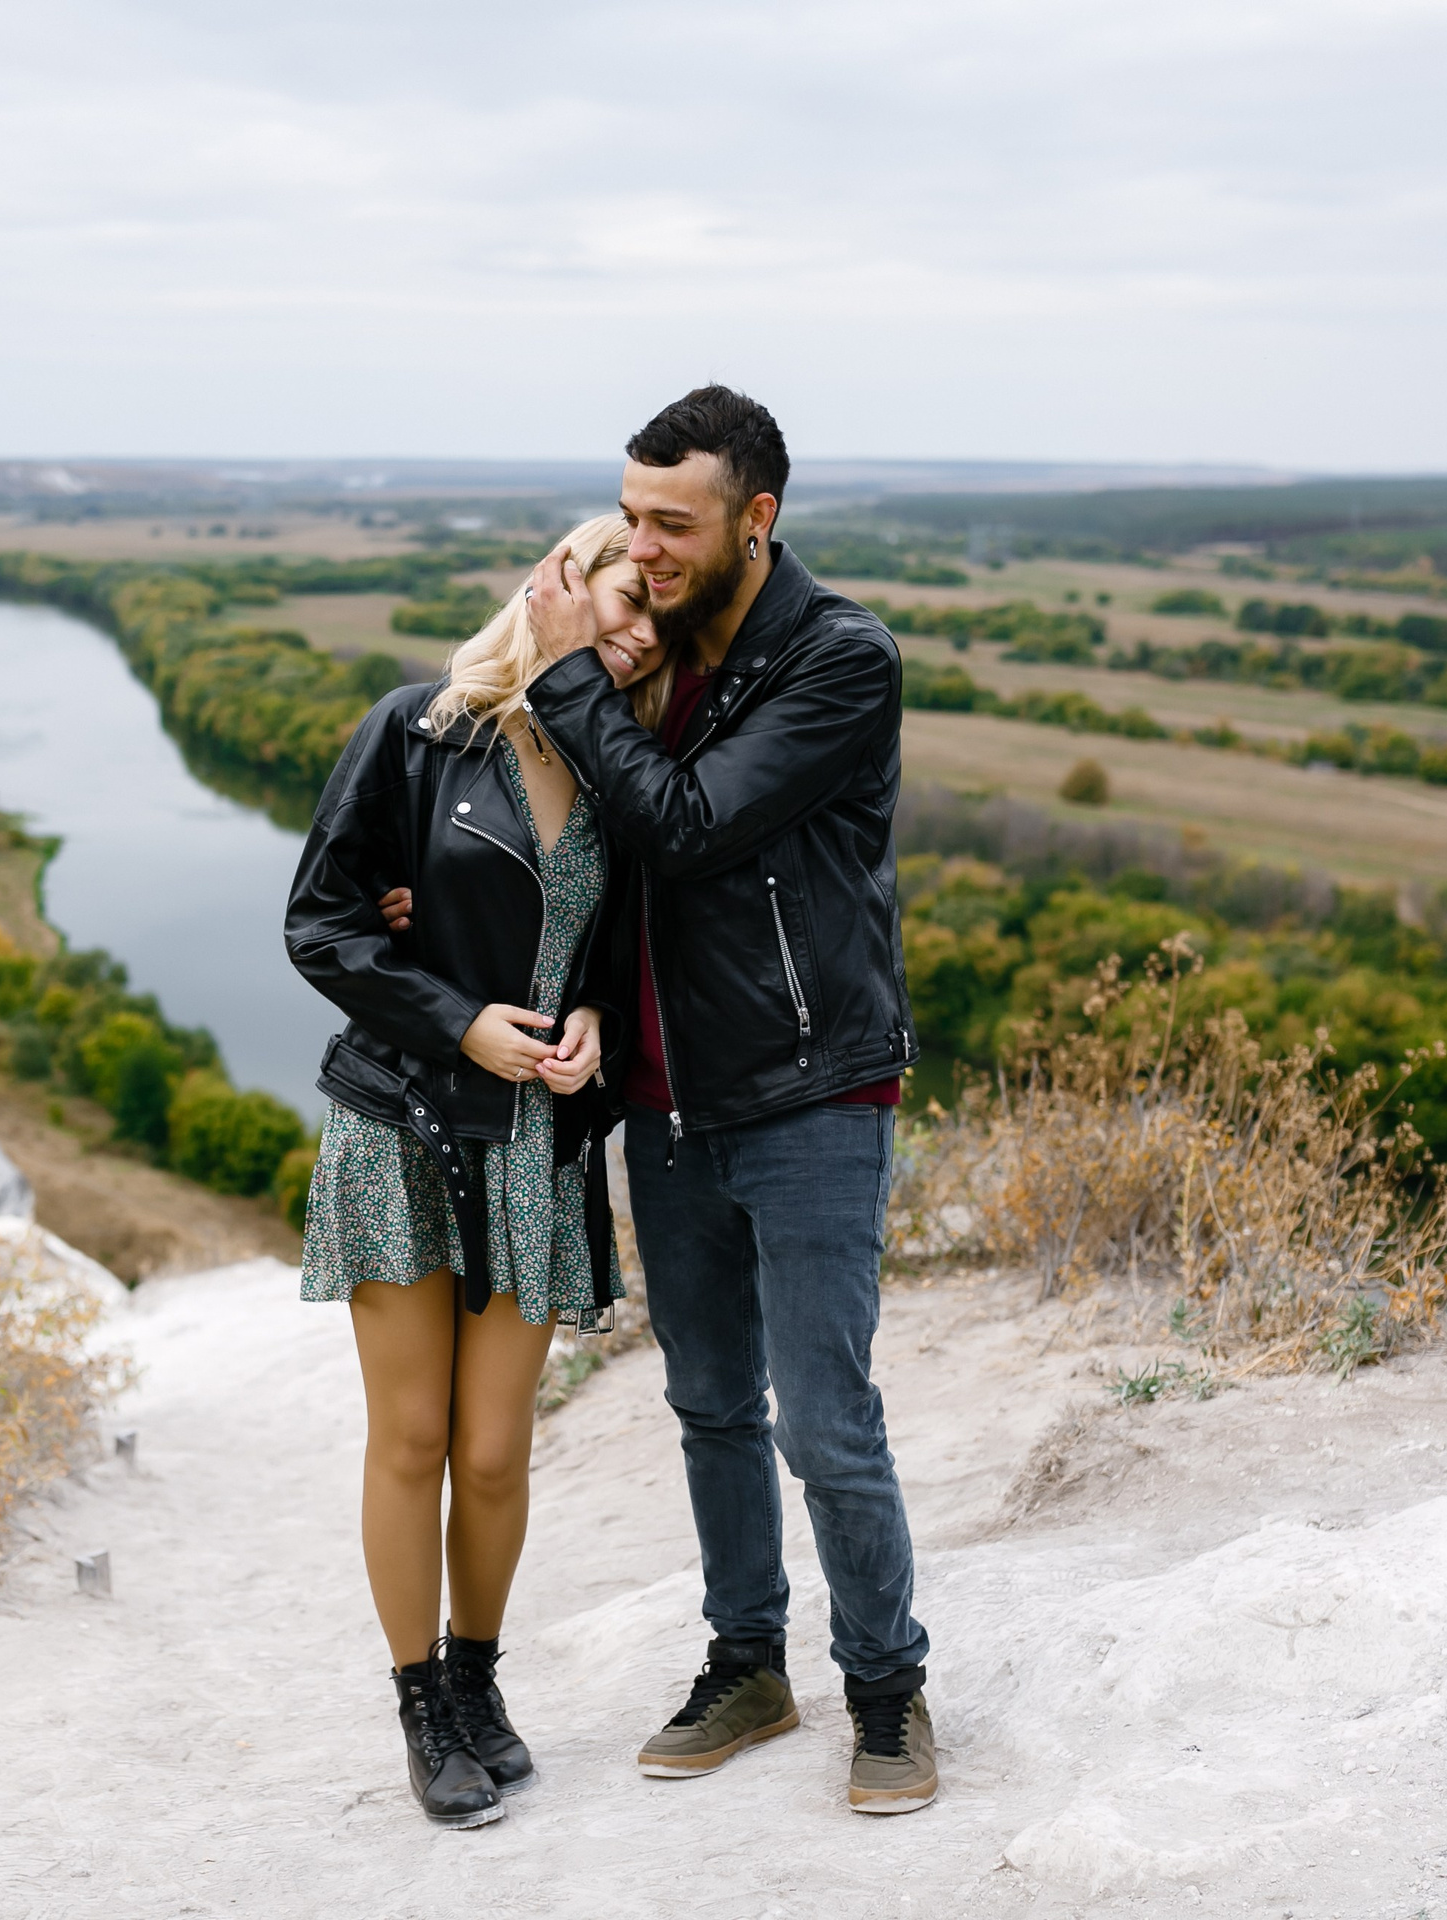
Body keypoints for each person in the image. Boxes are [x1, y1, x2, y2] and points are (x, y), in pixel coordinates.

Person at [517, 386, 937, 1814]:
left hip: (811, 1088)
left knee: (825, 1421)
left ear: (758, 519)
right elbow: (592, 854)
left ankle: (887, 1695)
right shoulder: (647, 651)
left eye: (674, 522)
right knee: (707, 1402)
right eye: (630, 515)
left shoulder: (836, 659)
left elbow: (686, 831)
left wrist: (573, 681)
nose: (644, 544)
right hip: (665, 1095)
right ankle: (748, 1668)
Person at [282, 514, 666, 1829]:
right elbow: (322, 925)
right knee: (417, 1434)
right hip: (403, 1125)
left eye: (652, 626)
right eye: (617, 609)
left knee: (498, 1451)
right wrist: (459, 1020)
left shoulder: (627, 763)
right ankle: (419, 1708)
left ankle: (480, 1681)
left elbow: (626, 952)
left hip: (538, 1148)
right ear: (552, 589)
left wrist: (601, 1023)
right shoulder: (417, 732)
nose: (633, 642)